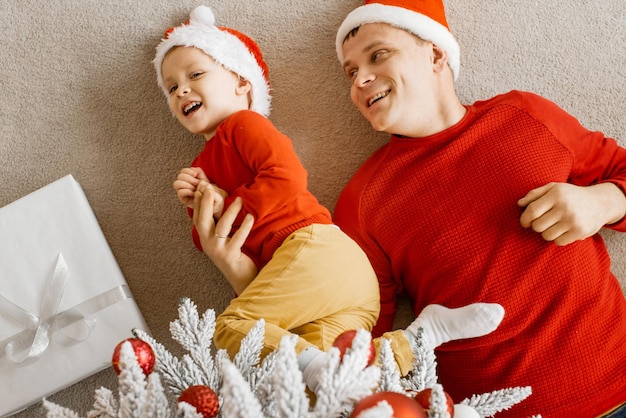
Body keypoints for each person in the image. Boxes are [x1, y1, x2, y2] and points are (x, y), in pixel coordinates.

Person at [154, 4, 505, 390]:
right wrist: (204, 205)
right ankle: (416, 339)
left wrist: (231, 210)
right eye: (171, 87)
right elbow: (212, 243)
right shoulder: (202, 165)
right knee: (332, 392)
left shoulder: (243, 125)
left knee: (232, 329)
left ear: (242, 82)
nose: (181, 89)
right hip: (331, 290)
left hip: (313, 253)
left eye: (195, 74)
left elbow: (286, 175)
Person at [331, 0, 626, 417]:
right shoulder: (363, 200)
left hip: (619, 385)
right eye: (350, 71)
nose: (360, 78)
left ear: (435, 53)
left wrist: (605, 201)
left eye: (377, 55)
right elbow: (352, 340)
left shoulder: (523, 115)